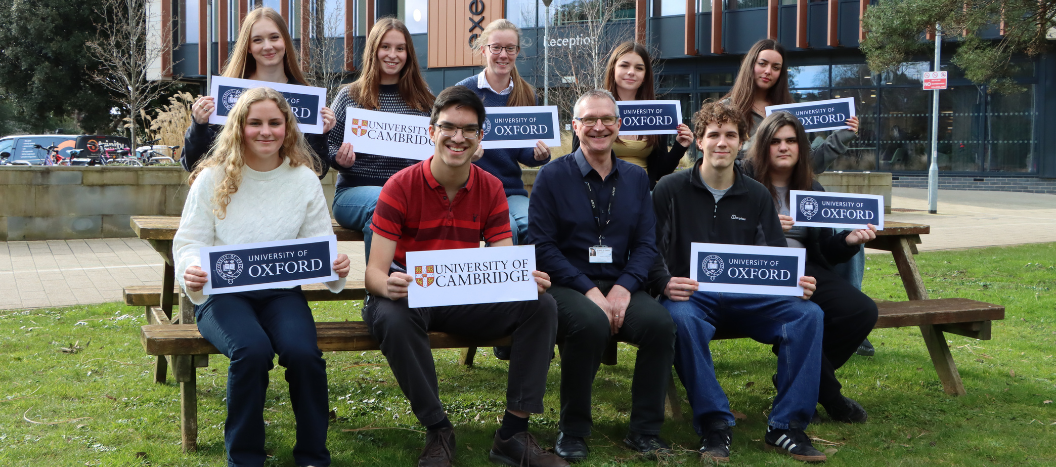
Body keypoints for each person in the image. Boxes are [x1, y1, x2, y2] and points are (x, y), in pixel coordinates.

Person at [362, 85, 568, 467]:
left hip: (460, 295)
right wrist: (387, 285)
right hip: (409, 295)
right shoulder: (400, 186)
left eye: (468, 130)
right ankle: (438, 429)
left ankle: (513, 434)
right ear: (431, 131)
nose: (458, 137)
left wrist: (523, 278)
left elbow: (504, 260)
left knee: (540, 305)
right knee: (391, 315)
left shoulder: (490, 187)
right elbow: (373, 273)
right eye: (449, 127)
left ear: (479, 137)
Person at [173, 87, 351, 467]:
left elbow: (320, 243)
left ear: (288, 128)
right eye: (255, 123)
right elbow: (189, 241)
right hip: (224, 295)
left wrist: (336, 266)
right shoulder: (212, 177)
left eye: (275, 122)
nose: (265, 131)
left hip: (281, 293)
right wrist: (191, 269)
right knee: (251, 352)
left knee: (304, 354)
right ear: (239, 126)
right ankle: (245, 458)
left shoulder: (303, 179)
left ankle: (313, 456)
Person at [648, 101, 827, 463]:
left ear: (743, 141)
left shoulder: (757, 195)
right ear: (699, 140)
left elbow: (776, 258)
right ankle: (715, 424)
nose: (722, 142)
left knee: (808, 314)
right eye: (713, 134)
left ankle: (786, 426)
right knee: (680, 319)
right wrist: (665, 283)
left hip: (750, 299)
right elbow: (649, 250)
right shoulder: (670, 189)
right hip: (693, 297)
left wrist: (794, 282)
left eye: (731, 135)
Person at [528, 89, 676, 462]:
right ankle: (573, 429)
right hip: (566, 285)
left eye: (607, 119)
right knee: (590, 324)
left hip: (621, 283)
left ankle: (645, 430)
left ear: (618, 125)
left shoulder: (636, 179)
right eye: (589, 120)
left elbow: (646, 245)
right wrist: (589, 290)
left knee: (660, 324)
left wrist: (625, 288)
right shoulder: (551, 176)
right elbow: (542, 247)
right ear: (575, 127)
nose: (599, 127)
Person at [742, 111, 879, 423]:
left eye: (791, 141)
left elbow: (823, 253)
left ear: (801, 147)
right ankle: (831, 397)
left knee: (861, 310)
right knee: (805, 318)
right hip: (760, 270)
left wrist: (849, 241)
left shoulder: (812, 189)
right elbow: (723, 231)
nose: (784, 147)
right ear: (763, 146)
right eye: (775, 141)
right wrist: (763, 227)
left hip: (806, 268)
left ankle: (793, 373)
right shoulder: (744, 182)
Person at [326, 17, 436, 259]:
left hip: (411, 194)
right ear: (374, 50)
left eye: (400, 48)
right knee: (384, 202)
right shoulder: (350, 95)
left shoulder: (424, 98)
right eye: (385, 47)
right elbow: (328, 145)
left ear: (409, 54)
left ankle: (417, 289)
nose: (392, 55)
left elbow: (438, 145)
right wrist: (339, 159)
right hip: (354, 193)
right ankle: (376, 291)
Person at [183, 6, 335, 177]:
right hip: (235, 191)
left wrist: (320, 135)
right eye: (257, 40)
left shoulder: (307, 98)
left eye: (274, 37)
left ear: (285, 40)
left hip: (284, 194)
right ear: (248, 47)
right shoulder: (227, 93)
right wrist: (199, 125)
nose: (268, 46)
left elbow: (317, 171)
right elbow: (194, 164)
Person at [456, 19, 551, 246]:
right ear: (483, 49)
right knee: (507, 229)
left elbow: (523, 153)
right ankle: (501, 282)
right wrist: (468, 153)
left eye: (510, 48)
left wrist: (539, 154)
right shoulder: (463, 91)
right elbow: (446, 142)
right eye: (496, 47)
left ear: (517, 51)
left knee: (534, 227)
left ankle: (533, 281)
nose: (503, 55)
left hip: (511, 190)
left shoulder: (527, 94)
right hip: (473, 189)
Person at [570, 41, 693, 188]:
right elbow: (576, 160)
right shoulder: (591, 107)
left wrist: (680, 146)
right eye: (624, 65)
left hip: (642, 196)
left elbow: (660, 171)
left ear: (645, 75)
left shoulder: (657, 112)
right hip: (598, 192)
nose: (631, 72)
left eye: (639, 68)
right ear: (612, 69)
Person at [723, 39, 858, 171]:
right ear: (750, 65)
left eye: (776, 67)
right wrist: (762, 137)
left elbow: (810, 164)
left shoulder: (789, 111)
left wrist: (842, 136)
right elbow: (722, 162)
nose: (768, 71)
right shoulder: (726, 110)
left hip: (782, 192)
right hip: (745, 191)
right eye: (762, 64)